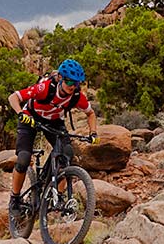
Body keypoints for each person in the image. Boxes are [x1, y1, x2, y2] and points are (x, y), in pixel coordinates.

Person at [7, 58, 98, 217]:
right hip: (31, 118)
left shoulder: (76, 96)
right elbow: (13, 97)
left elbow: (90, 113)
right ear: (61, 78)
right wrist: (21, 114)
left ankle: (59, 197)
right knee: (23, 158)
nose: (72, 86)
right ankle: (14, 199)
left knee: (66, 154)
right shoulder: (45, 88)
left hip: (54, 121)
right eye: (69, 81)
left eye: (76, 83)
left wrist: (93, 132)